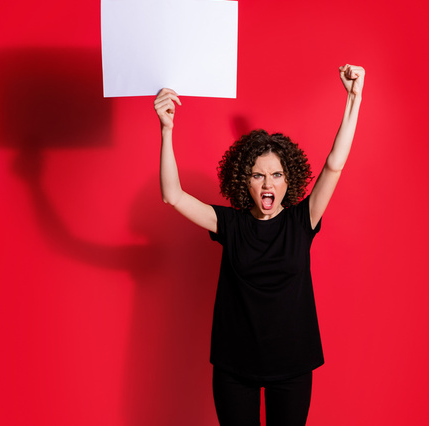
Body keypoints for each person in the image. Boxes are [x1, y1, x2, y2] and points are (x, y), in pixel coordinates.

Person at [153, 64, 365, 426]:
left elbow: (334, 165)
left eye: (277, 174)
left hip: (293, 366)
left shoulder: (303, 220)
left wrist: (354, 97)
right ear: (244, 180)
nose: (268, 183)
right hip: (235, 368)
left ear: (289, 180)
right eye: (258, 174)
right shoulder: (230, 224)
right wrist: (166, 130)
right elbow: (172, 195)